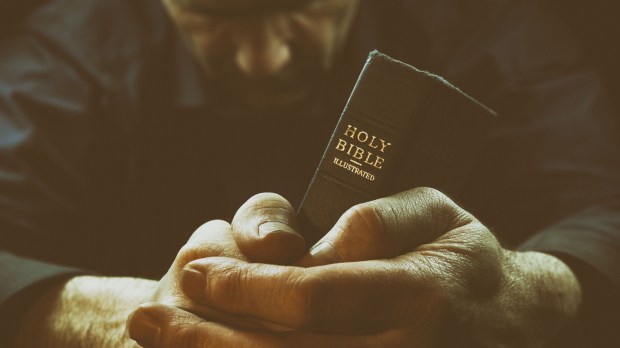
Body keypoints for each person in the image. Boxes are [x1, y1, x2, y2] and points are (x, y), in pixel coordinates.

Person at [1, 0, 619, 347]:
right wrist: (133, 319)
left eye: (300, 5)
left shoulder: (490, 27)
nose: (264, 60)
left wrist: (525, 293)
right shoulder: (72, 51)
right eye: (208, 13)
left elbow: (603, 206)